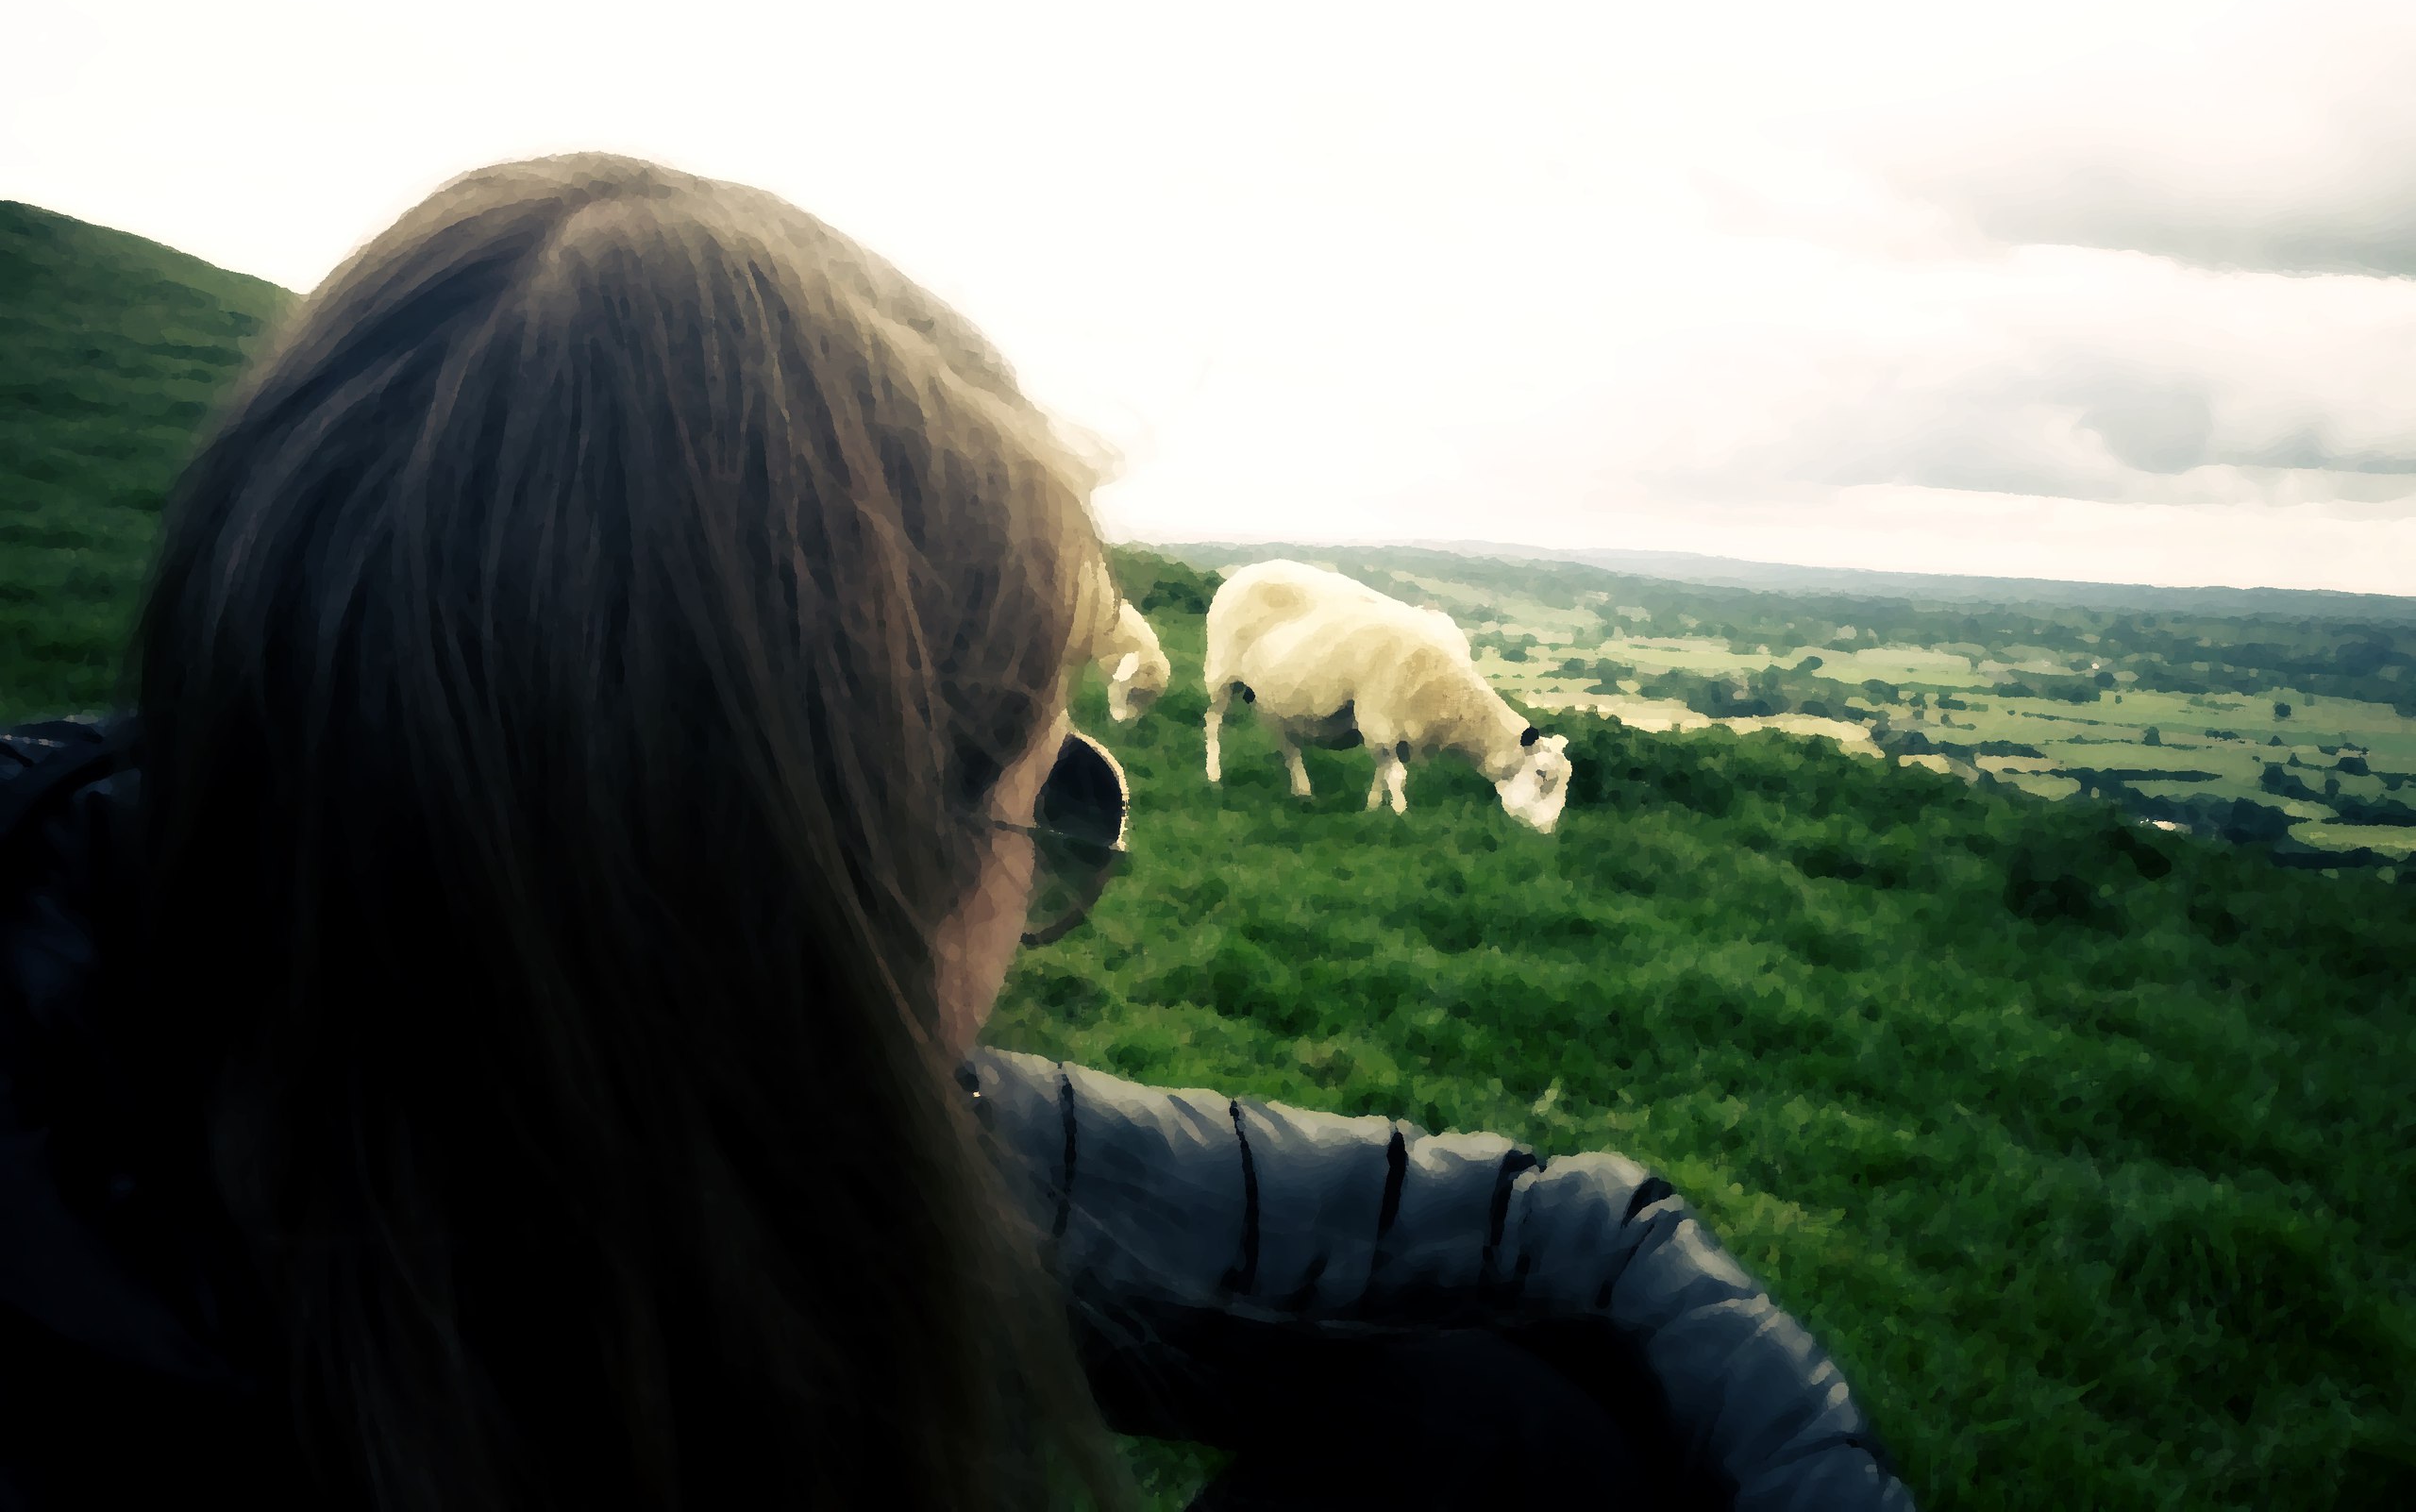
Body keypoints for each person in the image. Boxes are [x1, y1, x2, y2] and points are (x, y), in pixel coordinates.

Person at [0, 155, 1914, 1511]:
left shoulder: (641, 1062)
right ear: (803, 874)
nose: (1023, 930)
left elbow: (1560, 1235)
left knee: (1503, 1425)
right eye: (1050, 808)